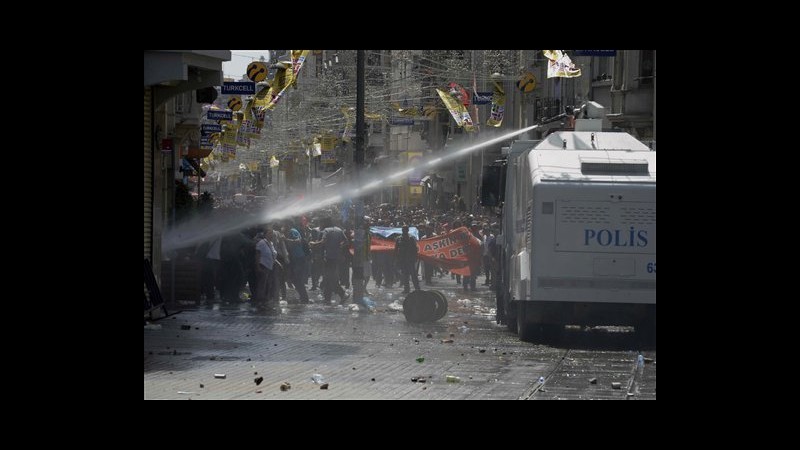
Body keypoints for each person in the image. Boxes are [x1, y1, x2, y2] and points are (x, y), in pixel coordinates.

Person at [395, 225, 421, 294]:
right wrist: (397, 259)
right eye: (403, 229)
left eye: (405, 229)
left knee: (413, 275)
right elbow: (396, 249)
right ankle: (406, 289)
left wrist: (415, 257)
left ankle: (417, 288)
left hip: (410, 260)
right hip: (402, 259)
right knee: (405, 275)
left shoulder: (411, 238)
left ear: (408, 230)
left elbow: (415, 249)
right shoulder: (398, 239)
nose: (404, 231)